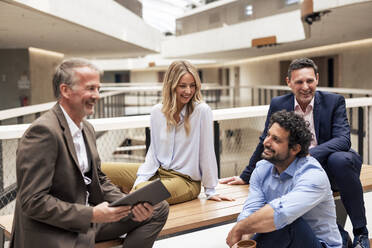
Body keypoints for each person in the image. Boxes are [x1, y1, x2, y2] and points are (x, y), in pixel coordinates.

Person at [10, 59, 169, 248]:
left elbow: (99, 180)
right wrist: (91, 215)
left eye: (98, 89)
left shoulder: (87, 128)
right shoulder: (43, 133)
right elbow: (32, 201)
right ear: (65, 90)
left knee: (158, 209)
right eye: (90, 88)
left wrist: (129, 205)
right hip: (55, 230)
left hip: (89, 220)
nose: (97, 96)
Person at [221, 58, 369, 248]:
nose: (305, 86)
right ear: (288, 82)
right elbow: (264, 143)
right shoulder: (264, 165)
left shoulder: (333, 101)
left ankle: (361, 232)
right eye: (299, 82)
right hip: (291, 161)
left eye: (310, 81)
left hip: (327, 162)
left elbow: (343, 140)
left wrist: (305, 156)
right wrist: (246, 175)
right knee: (272, 223)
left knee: (338, 162)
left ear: (317, 79)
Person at [103, 60, 233, 204]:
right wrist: (138, 182)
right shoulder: (157, 112)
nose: (188, 91)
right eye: (182, 86)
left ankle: (121, 204)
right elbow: (153, 153)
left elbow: (207, 153)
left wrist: (210, 190)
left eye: (192, 86)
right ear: (171, 86)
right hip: (158, 172)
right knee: (101, 169)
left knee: (143, 192)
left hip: (185, 181)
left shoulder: (202, 111)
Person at [226, 110, 342, 248]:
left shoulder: (313, 175)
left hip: (319, 244)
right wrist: (243, 239)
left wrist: (240, 228)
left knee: (286, 222)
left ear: (295, 149)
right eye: (268, 135)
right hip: (284, 243)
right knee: (262, 225)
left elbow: (282, 213)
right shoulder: (262, 169)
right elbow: (252, 209)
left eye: (276, 139)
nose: (266, 142)